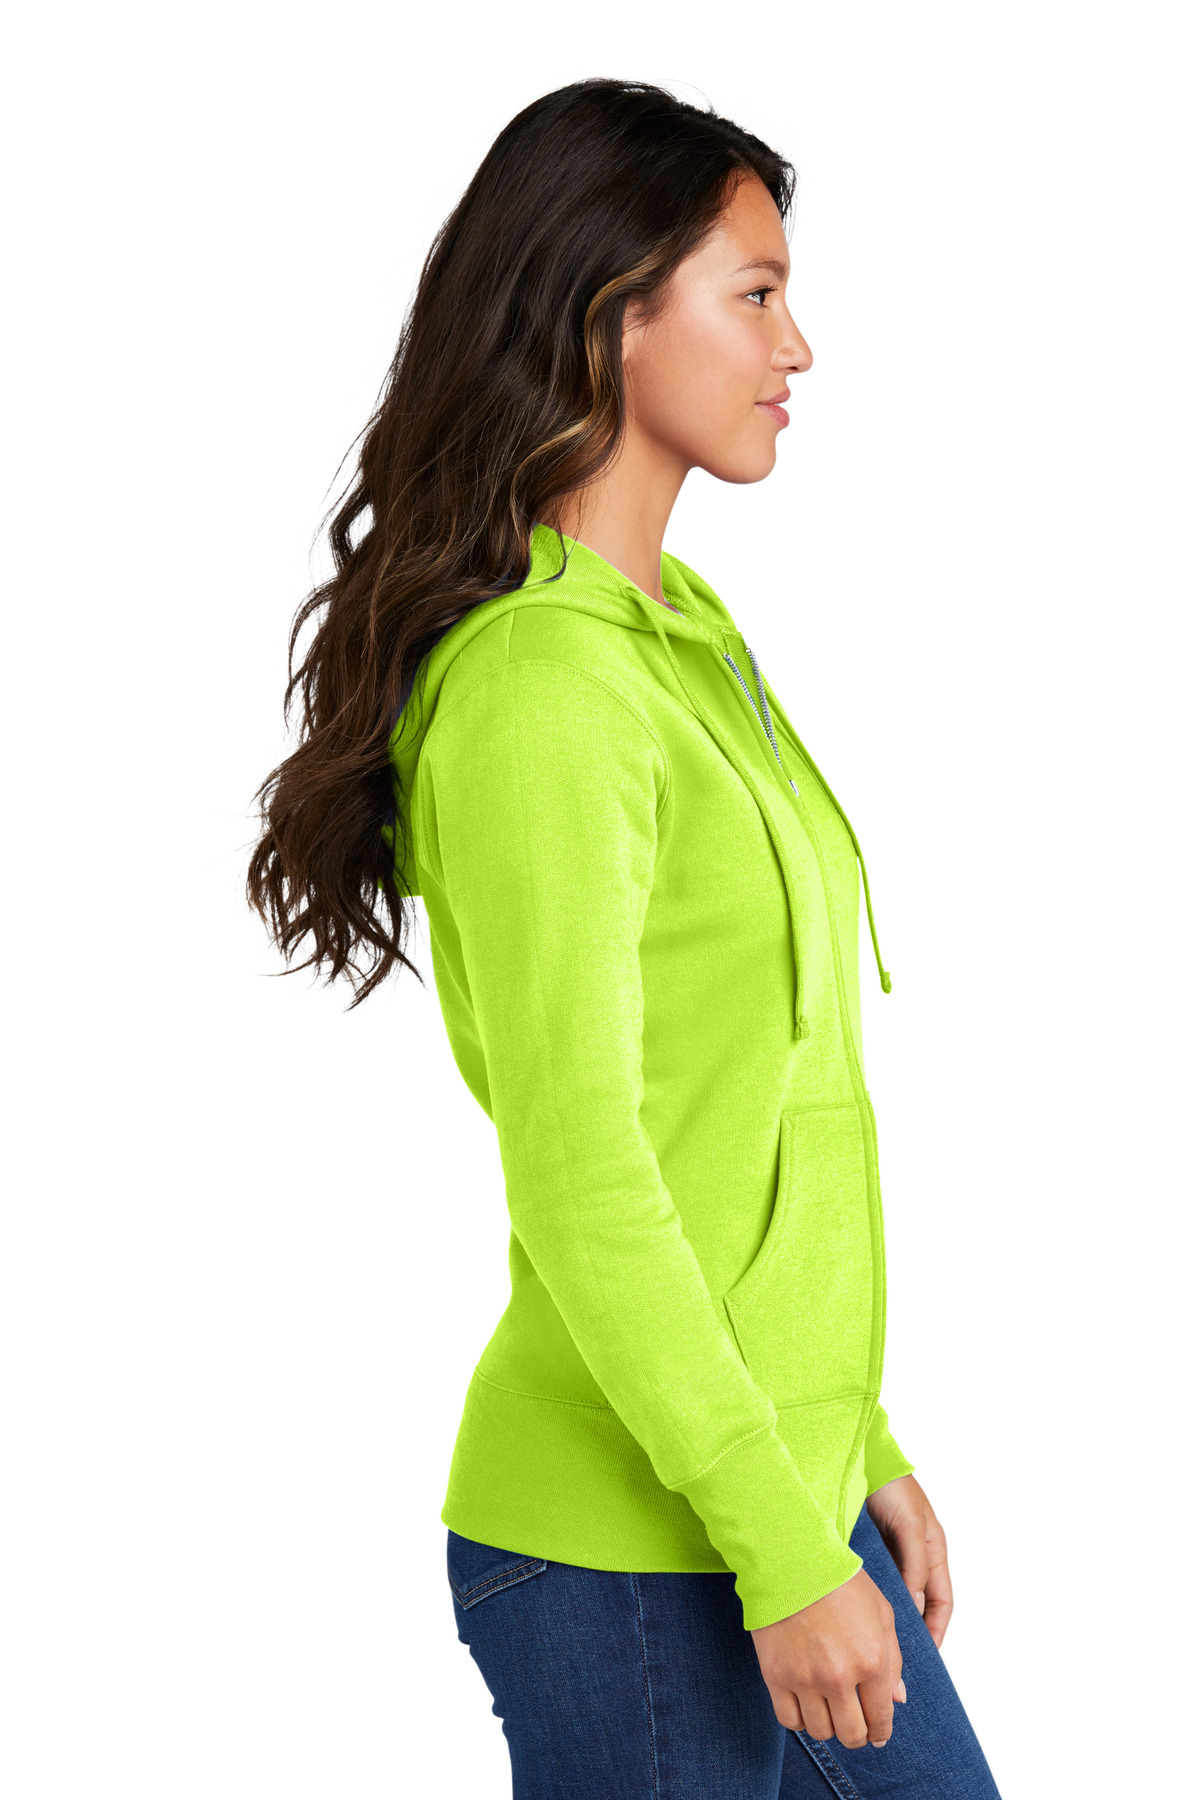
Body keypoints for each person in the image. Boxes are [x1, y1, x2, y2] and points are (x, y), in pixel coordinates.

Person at [248, 77, 1003, 1800]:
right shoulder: (546, 689)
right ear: (613, 313)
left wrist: (853, 1444)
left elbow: (744, 1113)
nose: (797, 347)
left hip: (770, 1495)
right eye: (758, 293)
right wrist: (782, 1538)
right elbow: (588, 1170)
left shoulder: (681, 635)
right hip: (627, 1549)